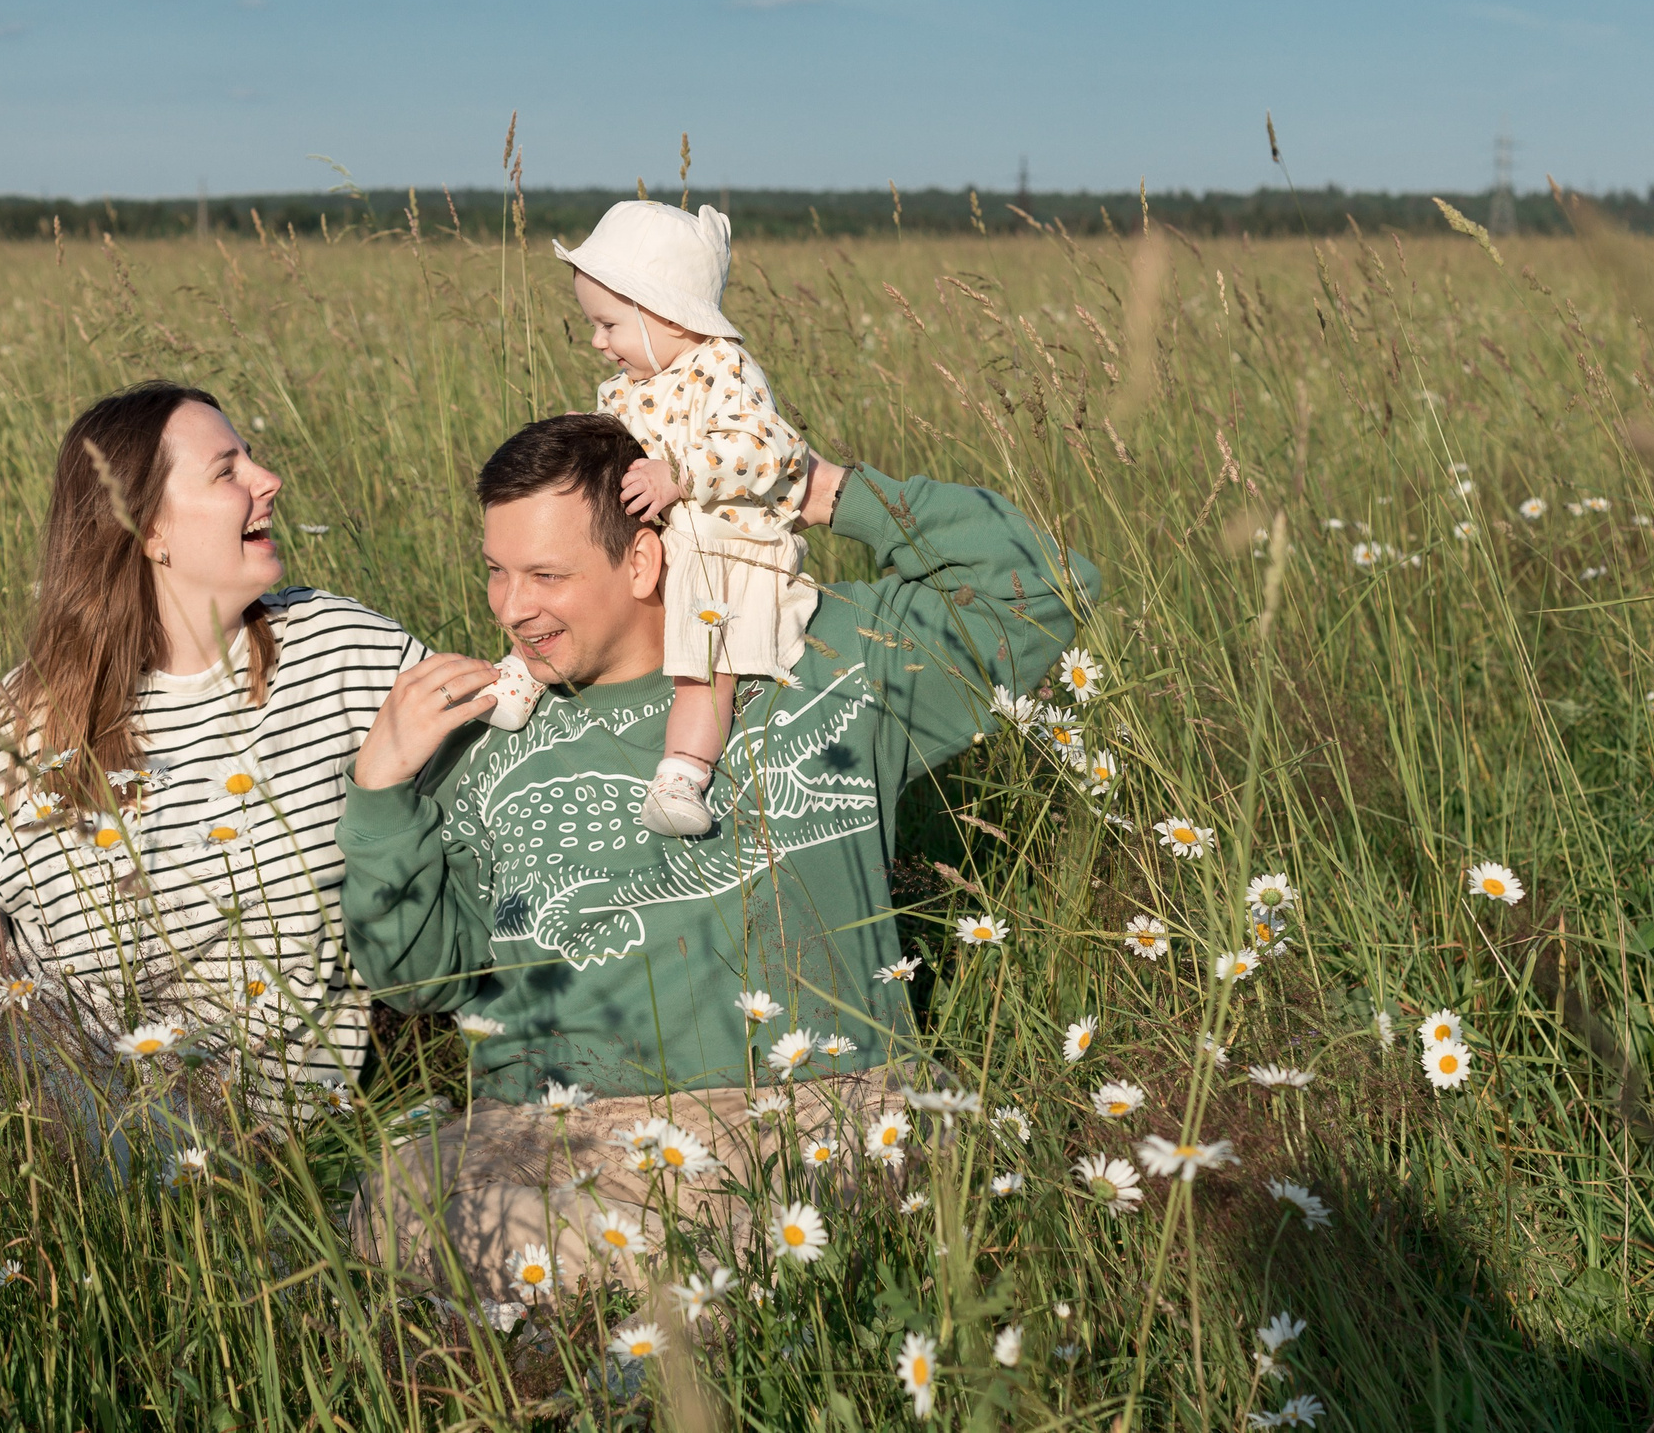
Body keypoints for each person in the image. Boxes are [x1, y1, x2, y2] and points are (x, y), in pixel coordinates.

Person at [335, 412, 1096, 1291]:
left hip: (809, 1106)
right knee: (402, 1203)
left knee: (738, 1222)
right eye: (497, 573)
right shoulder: (484, 744)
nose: (511, 608)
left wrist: (814, 487)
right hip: (551, 1137)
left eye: (546, 575)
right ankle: (670, 1310)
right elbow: (417, 980)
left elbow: (1043, 588)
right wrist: (384, 793)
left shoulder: (823, 659)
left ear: (644, 561)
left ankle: (677, 1312)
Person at [0, 381, 424, 1110]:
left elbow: (511, 766)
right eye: (227, 471)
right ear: (150, 531)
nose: (269, 481)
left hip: (299, 1137)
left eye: (251, 459)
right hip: (83, 1143)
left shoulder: (343, 650)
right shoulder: (31, 724)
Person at [529, 200, 812, 839]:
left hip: (722, 549)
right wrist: (593, 442)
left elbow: (765, 449)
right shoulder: (628, 385)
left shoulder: (725, 370)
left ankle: (684, 773)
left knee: (703, 670)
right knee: (569, 580)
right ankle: (527, 669)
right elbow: (625, 453)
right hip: (659, 544)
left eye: (608, 325)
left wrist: (679, 474)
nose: (598, 343)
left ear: (668, 315)